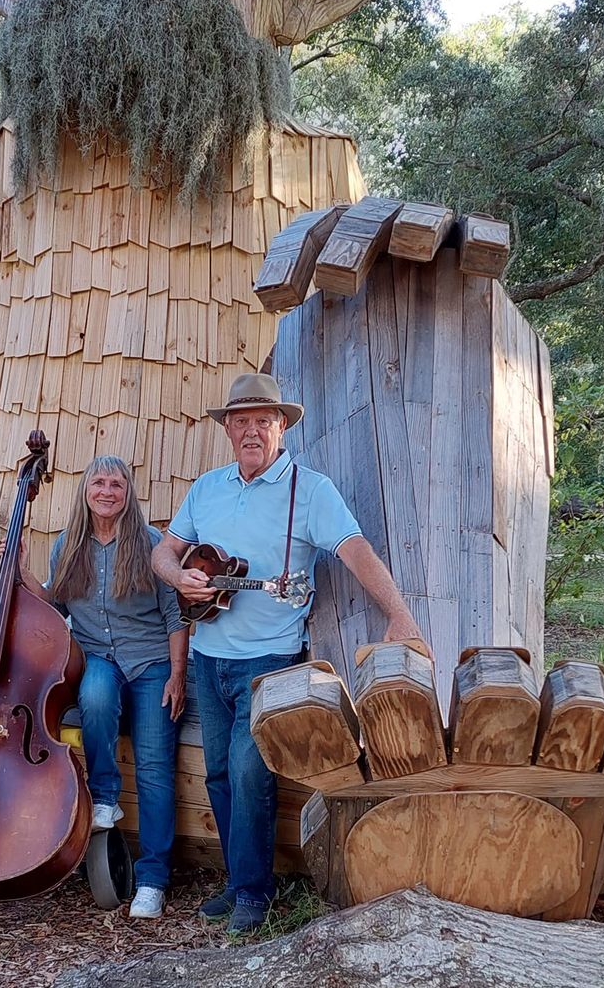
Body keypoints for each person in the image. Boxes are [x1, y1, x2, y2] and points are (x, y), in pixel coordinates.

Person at [151, 373, 426, 935]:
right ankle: (237, 883)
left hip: (269, 660)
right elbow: (164, 553)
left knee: (252, 773)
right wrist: (180, 575)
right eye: (242, 421)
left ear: (281, 427)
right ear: (227, 429)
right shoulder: (207, 488)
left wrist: (400, 615)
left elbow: (355, 550)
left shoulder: (311, 490)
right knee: (221, 774)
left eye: (264, 421)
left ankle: (254, 894)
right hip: (208, 656)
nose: (252, 431)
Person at [35, 456, 187, 920]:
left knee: (156, 767)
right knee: (95, 695)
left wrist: (178, 674)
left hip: (152, 663)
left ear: (128, 493)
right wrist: (18, 568)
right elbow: (50, 602)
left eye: (116, 484)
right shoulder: (68, 545)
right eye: (98, 482)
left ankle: (154, 879)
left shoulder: (153, 544)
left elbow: (175, 616)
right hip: (98, 657)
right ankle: (103, 798)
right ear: (85, 489)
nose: (107, 491)